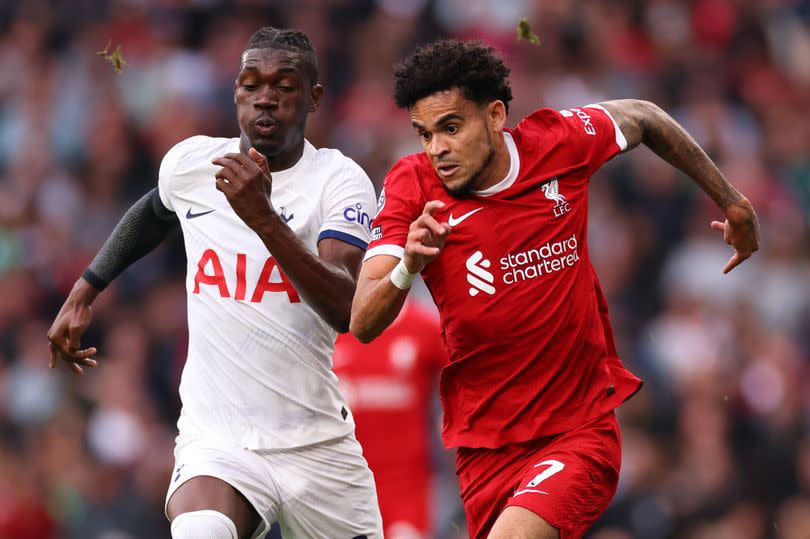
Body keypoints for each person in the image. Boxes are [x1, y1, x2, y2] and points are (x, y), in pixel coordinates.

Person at [349, 39, 760, 539]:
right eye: (425, 133)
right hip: (484, 450)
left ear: (496, 115)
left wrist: (732, 202)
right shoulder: (411, 186)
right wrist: (407, 266)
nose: (437, 148)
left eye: (451, 128)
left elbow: (644, 116)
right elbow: (363, 322)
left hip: (578, 433)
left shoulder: (558, 143)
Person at [47, 27, 383, 539]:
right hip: (219, 439)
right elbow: (153, 212)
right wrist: (85, 290)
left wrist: (264, 219)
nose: (265, 99)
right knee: (202, 530)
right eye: (251, 85)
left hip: (314, 443)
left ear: (314, 97)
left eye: (284, 86)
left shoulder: (338, 181)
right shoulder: (193, 163)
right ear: (235, 94)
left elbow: (345, 306)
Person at [332, 298, 449, 539]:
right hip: (340, 486)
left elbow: (464, 384)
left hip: (406, 489)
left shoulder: (425, 327)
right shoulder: (332, 328)